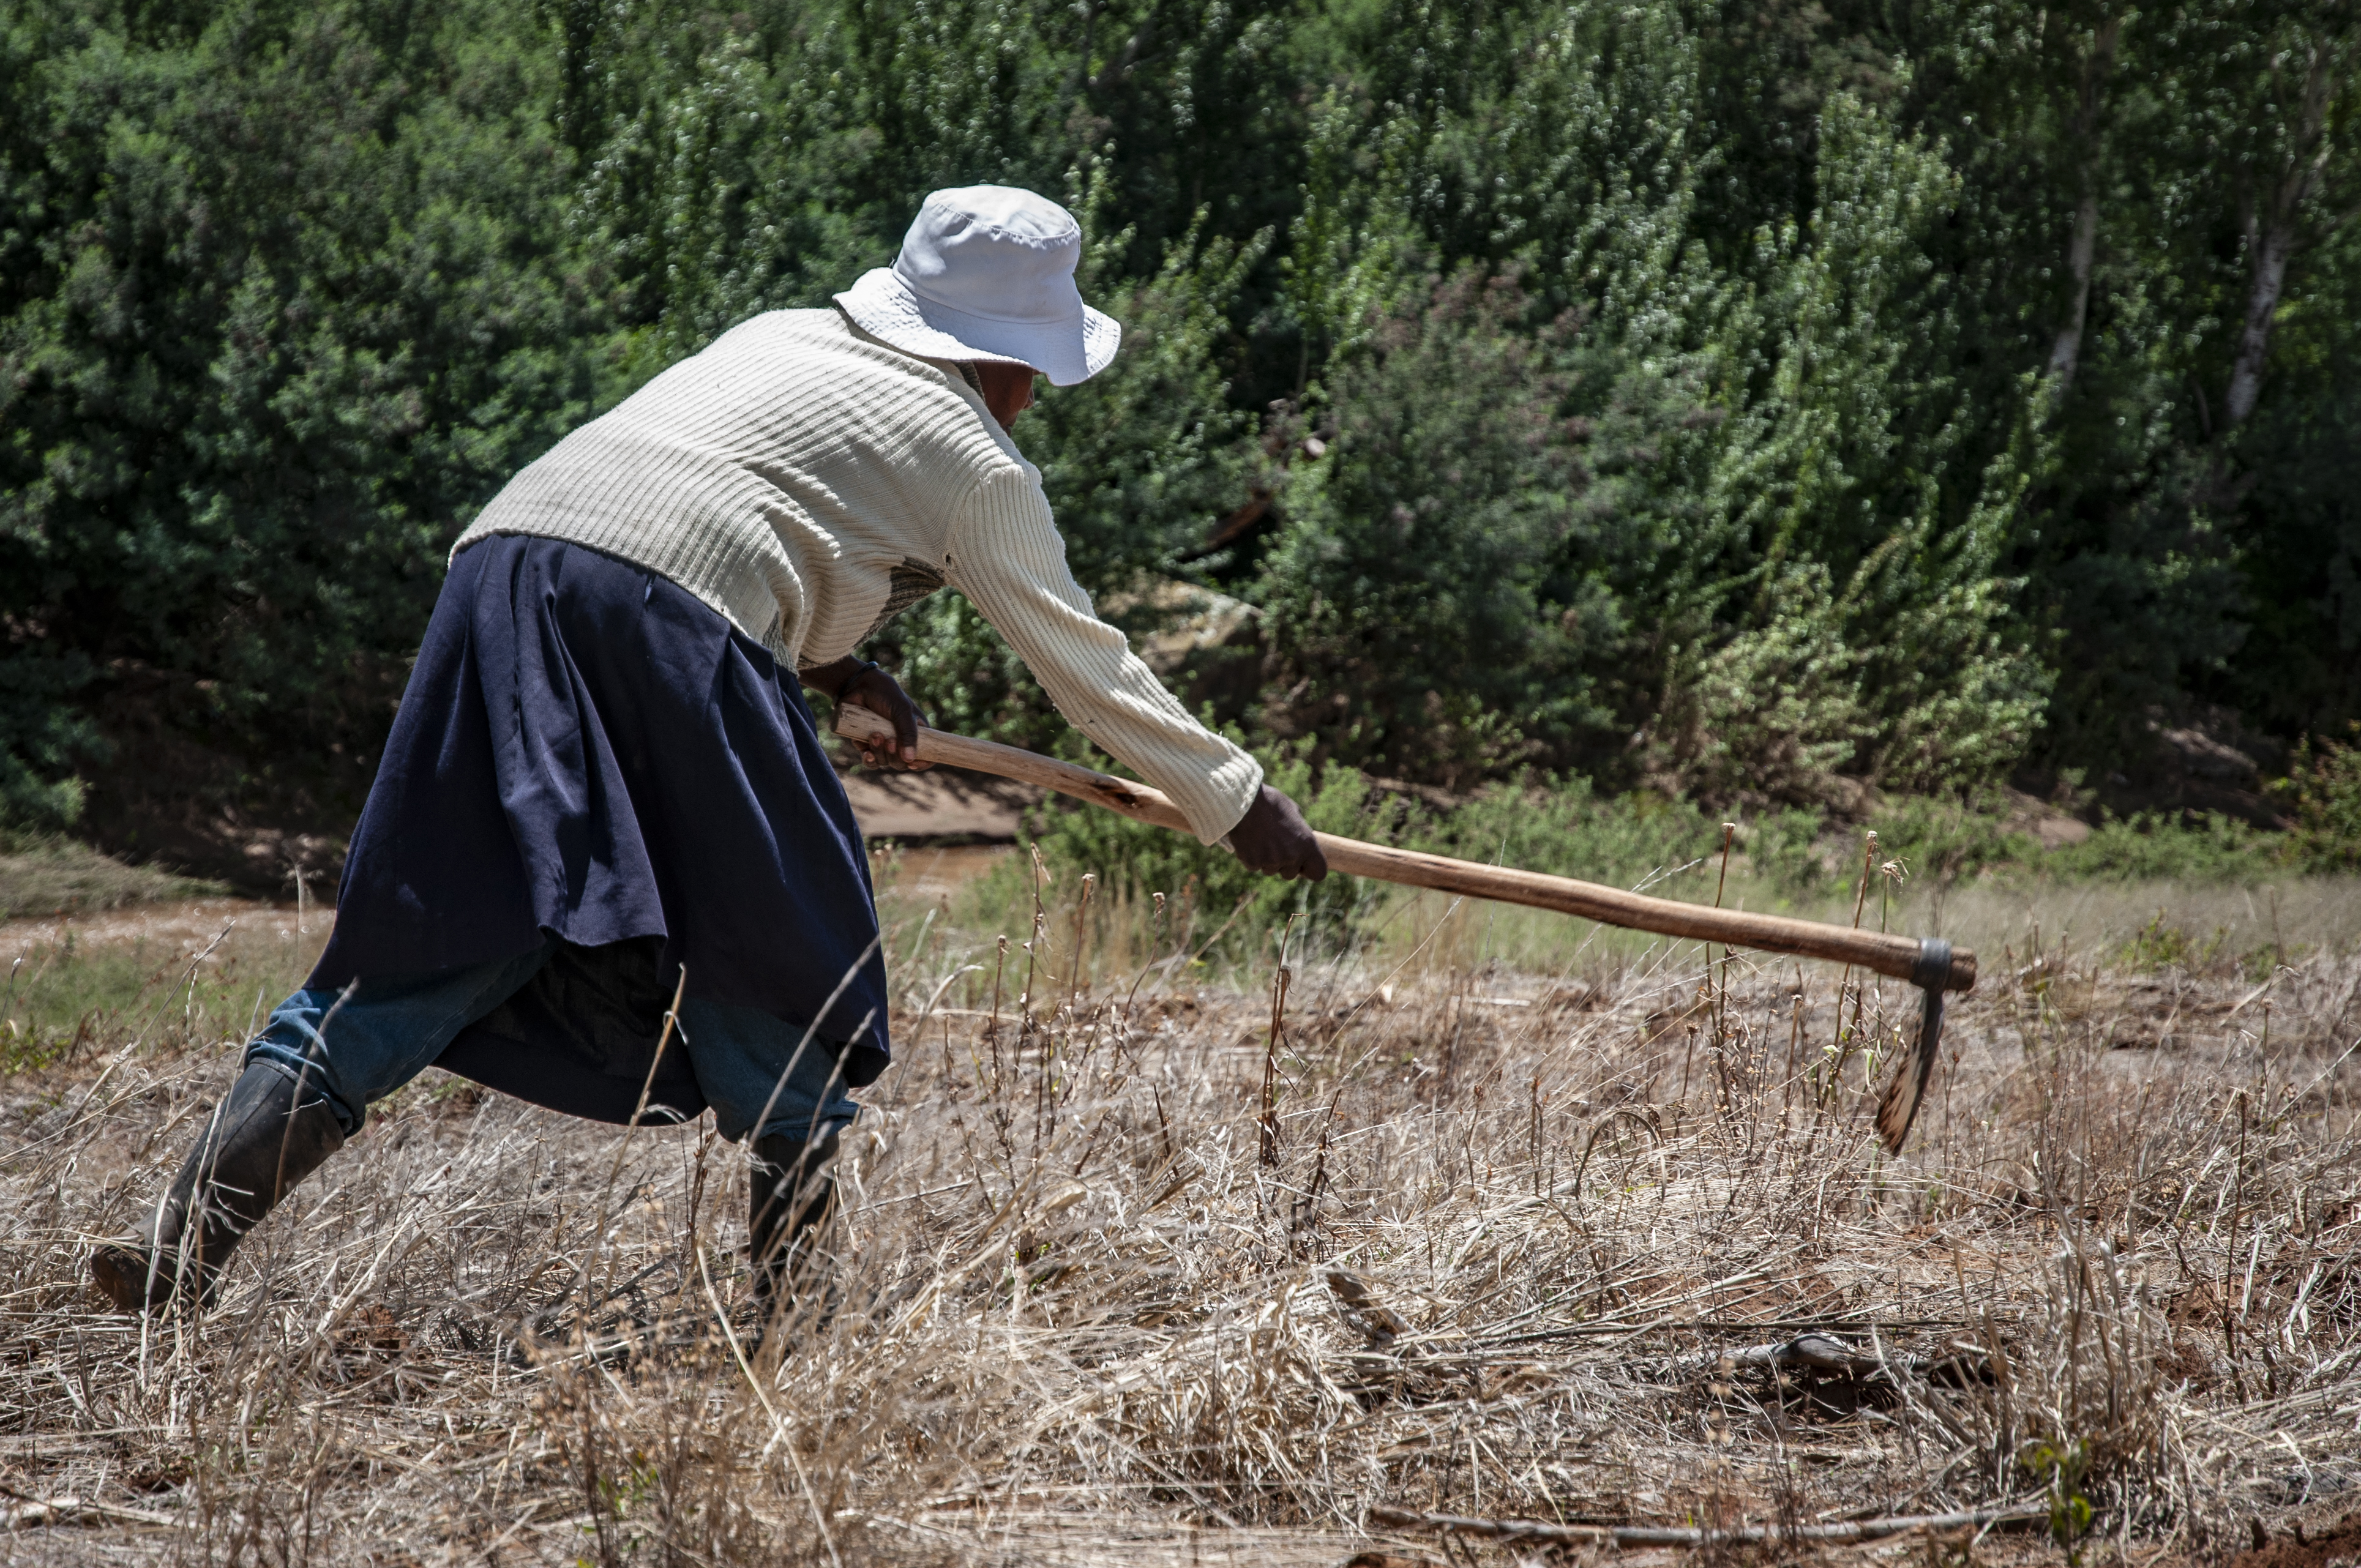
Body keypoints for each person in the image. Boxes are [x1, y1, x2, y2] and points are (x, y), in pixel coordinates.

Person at [89, 185, 1326, 1329]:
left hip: (509, 567)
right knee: (780, 929)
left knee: (457, 916)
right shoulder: (976, 463)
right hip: (672, 614)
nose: (1036, 397)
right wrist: (1233, 799)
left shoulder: (783, 334)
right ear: (1011, 362)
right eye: (1039, 373)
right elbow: (1085, 665)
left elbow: (721, 501)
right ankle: (790, 1330)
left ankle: (181, 1243)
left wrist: (835, 668)